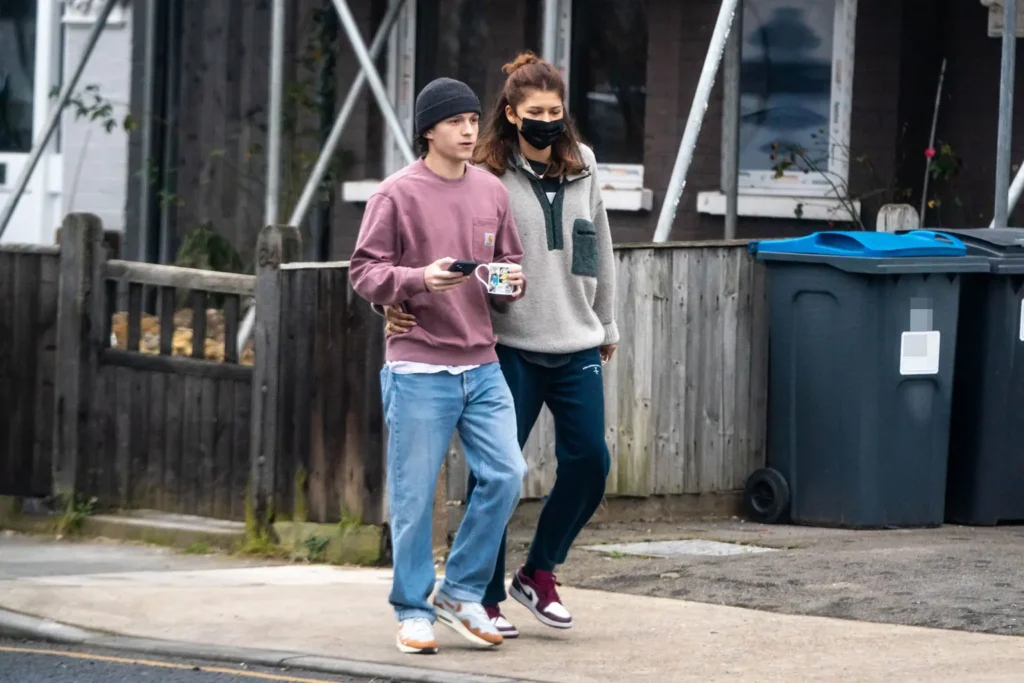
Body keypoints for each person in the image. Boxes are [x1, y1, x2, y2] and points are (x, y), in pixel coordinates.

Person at [383, 53, 618, 638]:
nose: (547, 121)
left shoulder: (583, 165)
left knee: (590, 461)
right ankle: (478, 597)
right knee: (496, 473)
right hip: (506, 343)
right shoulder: (484, 171)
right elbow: (430, 254)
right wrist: (403, 298)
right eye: (535, 112)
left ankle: (537, 573)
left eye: (556, 112)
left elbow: (597, 247)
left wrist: (605, 323)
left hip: (576, 337)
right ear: (511, 115)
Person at [349, 76, 529, 655]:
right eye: (456, 121)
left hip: (482, 364)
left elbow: (506, 267)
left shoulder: (491, 192)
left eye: (475, 119)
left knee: (506, 475)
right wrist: (416, 281)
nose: (470, 130)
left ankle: (460, 593)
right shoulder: (395, 194)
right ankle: (411, 609)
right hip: (418, 367)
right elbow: (364, 271)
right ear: (429, 129)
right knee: (414, 496)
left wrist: (509, 282)